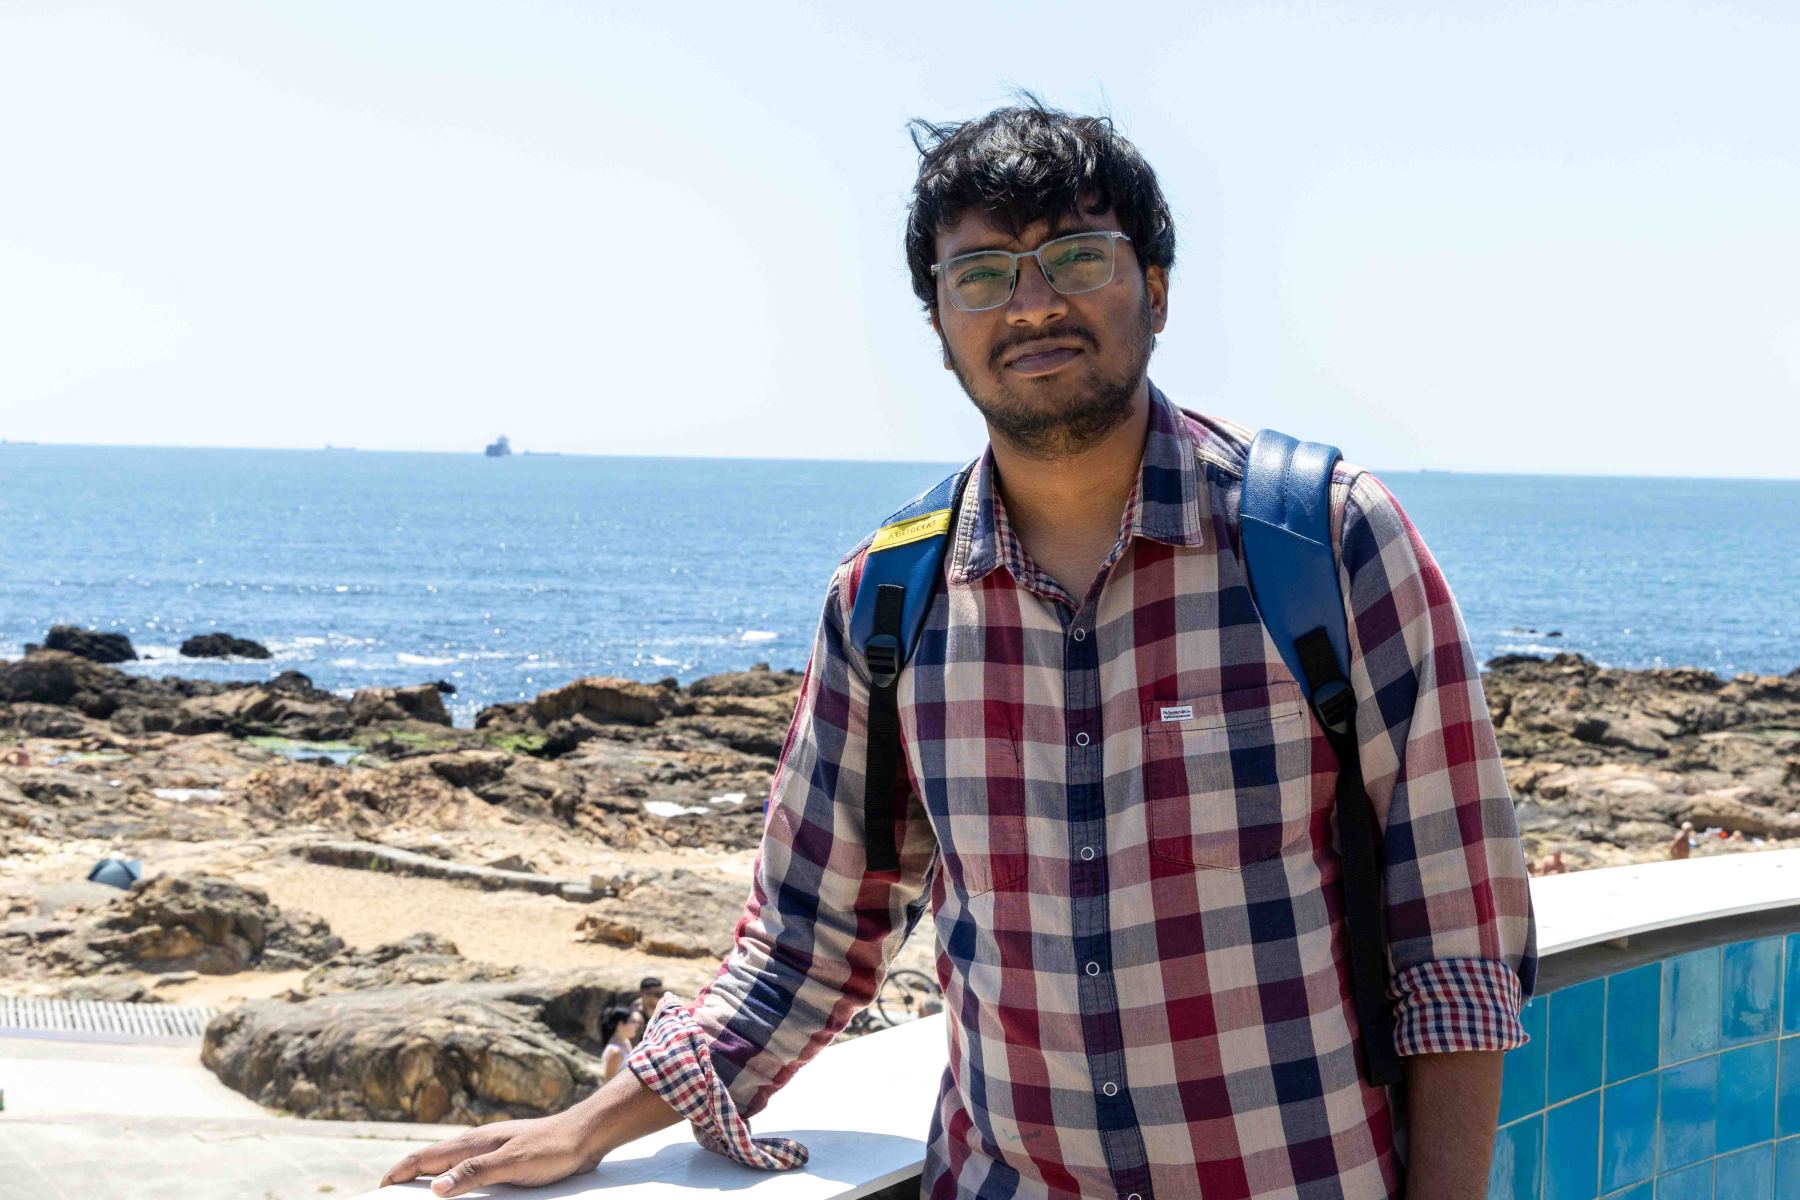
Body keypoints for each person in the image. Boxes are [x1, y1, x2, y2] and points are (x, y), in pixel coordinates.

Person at [382, 98, 1538, 1200]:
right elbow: (807, 938)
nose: (1031, 305)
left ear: (1157, 289)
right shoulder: (889, 600)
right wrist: (590, 1126)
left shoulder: (1323, 539)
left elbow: (1460, 942)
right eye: (981, 275)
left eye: (1076, 256)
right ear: (939, 330)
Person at [597, 1007, 644, 1085]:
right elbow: (607, 1084)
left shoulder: (626, 1042)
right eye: (632, 1021)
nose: (637, 1025)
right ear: (621, 1024)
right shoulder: (615, 1051)